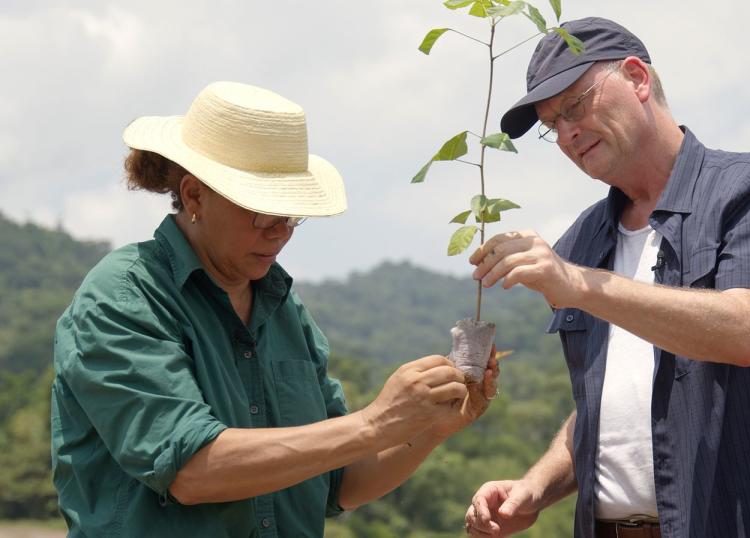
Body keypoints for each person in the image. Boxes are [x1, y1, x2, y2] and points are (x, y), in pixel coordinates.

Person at [51, 81, 499, 537]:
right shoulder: (126, 295)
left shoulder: (281, 306)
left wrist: (427, 427)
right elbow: (192, 470)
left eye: (290, 216)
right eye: (261, 212)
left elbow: (337, 483)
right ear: (193, 196)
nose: (279, 233)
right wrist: (375, 422)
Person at [463, 17, 750, 538]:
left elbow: (744, 332)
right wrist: (536, 486)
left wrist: (578, 284)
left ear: (637, 78)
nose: (566, 133)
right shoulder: (584, 239)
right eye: (551, 124)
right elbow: (608, 406)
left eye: (575, 106)